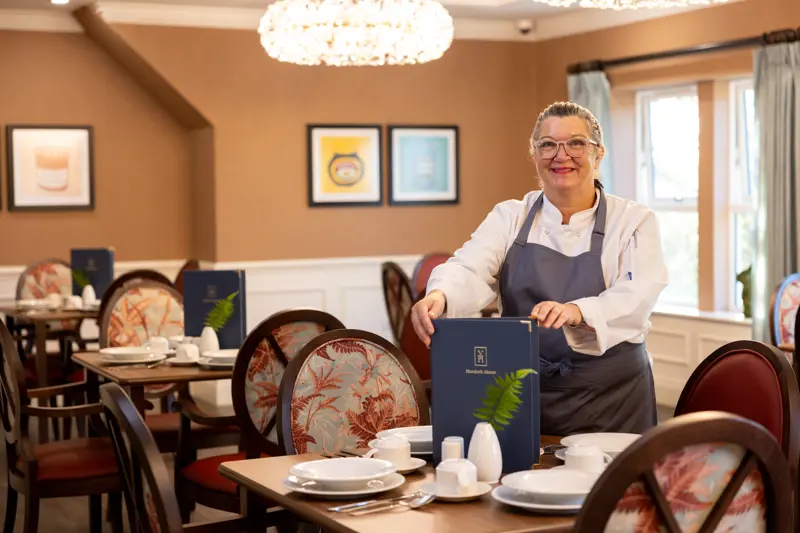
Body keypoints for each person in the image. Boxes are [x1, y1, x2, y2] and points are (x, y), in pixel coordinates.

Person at [410, 101, 668, 436]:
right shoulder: (510, 216)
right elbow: (469, 267)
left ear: (598, 154)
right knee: (527, 471)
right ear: (534, 154)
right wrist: (440, 295)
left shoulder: (634, 221)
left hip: (613, 398)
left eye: (576, 143)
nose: (561, 155)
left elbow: (637, 293)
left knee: (613, 473)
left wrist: (577, 311)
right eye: (548, 144)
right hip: (524, 389)